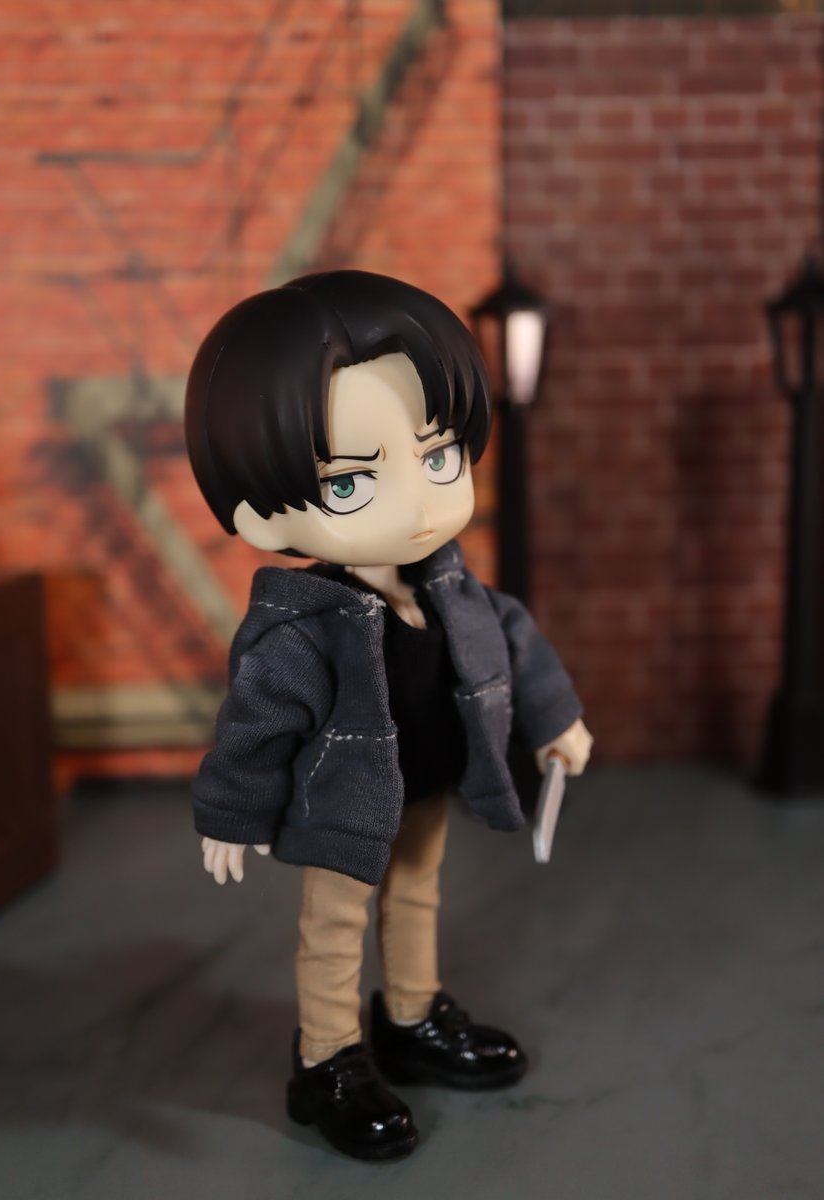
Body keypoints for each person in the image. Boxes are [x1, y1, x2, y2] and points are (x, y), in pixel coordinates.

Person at [184, 269, 593, 1160]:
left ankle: (410, 1016)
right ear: (259, 516)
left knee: (417, 892)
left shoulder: (448, 586)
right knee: (334, 927)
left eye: (438, 458)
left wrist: (554, 718)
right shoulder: (301, 628)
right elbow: (258, 721)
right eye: (351, 483)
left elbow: (512, 642)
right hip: (344, 804)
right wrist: (231, 812)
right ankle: (326, 1060)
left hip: (427, 779)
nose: (419, 502)